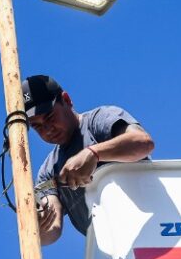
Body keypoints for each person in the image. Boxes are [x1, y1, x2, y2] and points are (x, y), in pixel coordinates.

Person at [22, 75, 155, 245]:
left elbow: (143, 142)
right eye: (37, 126)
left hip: (155, 229)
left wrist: (94, 153)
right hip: (113, 253)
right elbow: (52, 229)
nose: (48, 129)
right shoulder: (49, 172)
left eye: (49, 117)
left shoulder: (98, 120)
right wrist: (39, 226)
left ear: (66, 100)